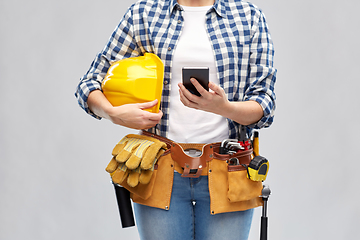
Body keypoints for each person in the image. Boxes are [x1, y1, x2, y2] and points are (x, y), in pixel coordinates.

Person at [75, 0, 276, 239]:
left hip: (229, 173)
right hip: (160, 169)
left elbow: (265, 105)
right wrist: (115, 114)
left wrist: (224, 108)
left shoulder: (249, 16)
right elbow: (89, 83)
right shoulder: (144, 14)